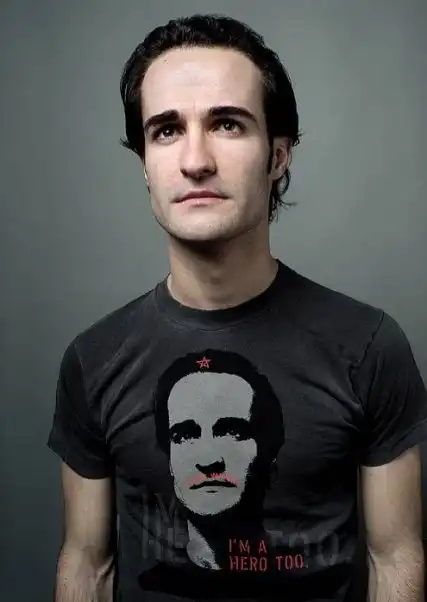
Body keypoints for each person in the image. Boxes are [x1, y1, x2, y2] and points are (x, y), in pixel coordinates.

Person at [47, 13, 427, 602]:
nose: (195, 160)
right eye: (166, 131)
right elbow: (87, 562)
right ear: (144, 164)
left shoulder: (369, 347)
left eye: (227, 124)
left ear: (278, 156)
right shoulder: (93, 360)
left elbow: (394, 556)